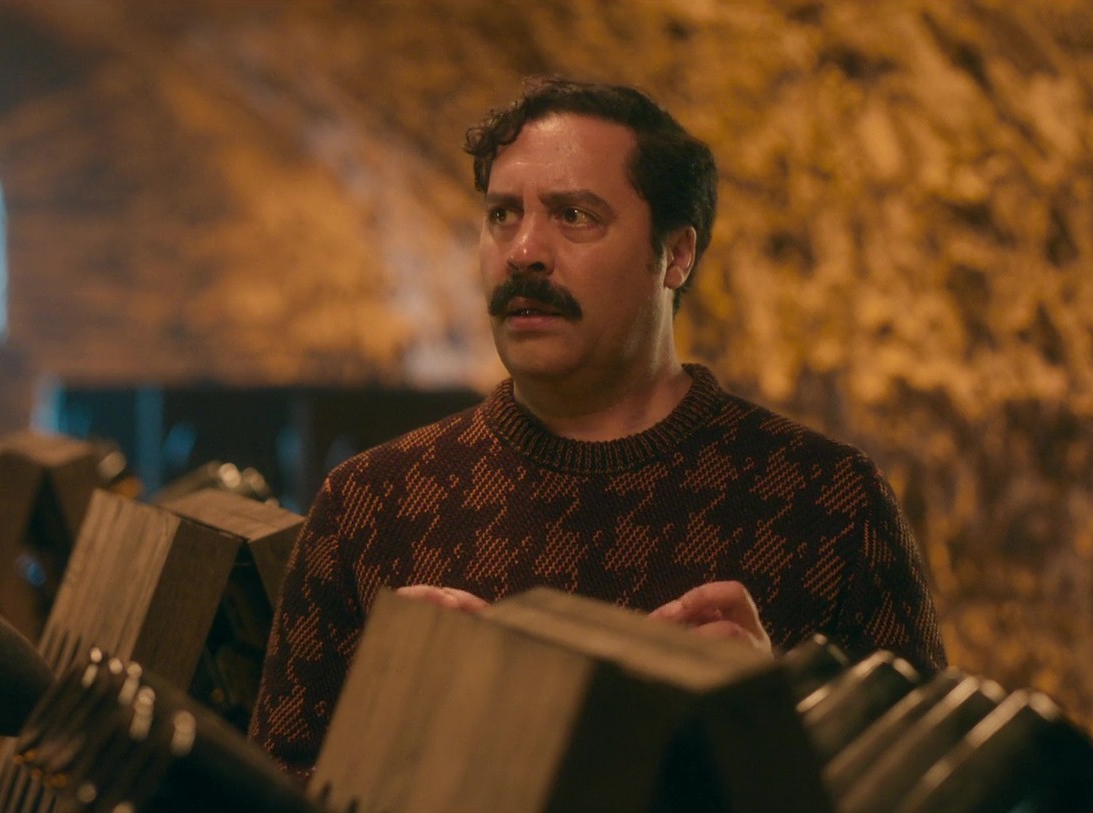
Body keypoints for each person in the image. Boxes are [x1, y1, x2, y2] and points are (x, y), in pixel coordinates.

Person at [248, 77, 946, 783]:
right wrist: (389, 734)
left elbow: (927, 792)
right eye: (502, 215)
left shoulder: (824, 502)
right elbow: (267, 792)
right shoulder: (372, 504)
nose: (524, 251)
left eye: (574, 215)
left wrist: (766, 729)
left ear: (676, 255)